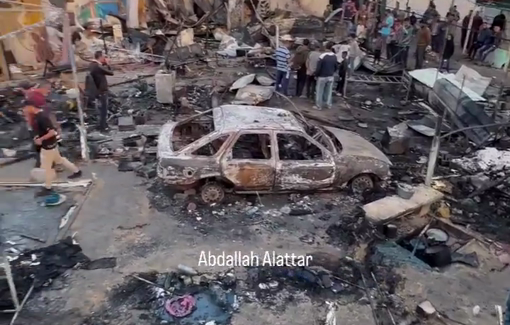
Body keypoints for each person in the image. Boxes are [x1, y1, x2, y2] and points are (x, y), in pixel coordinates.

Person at [23, 105, 82, 197]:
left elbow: (51, 132)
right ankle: (76, 171)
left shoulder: (41, 118)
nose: (24, 111)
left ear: (31, 107)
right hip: (52, 144)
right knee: (59, 160)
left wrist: (40, 140)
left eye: (25, 109)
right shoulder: (40, 116)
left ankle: (48, 187)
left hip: (47, 146)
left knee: (47, 168)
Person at [89, 51, 114, 133]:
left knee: (101, 109)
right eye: (104, 57)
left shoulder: (92, 65)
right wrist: (108, 64)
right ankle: (103, 127)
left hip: (97, 90)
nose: (105, 58)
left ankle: (103, 125)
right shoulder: (98, 67)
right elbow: (111, 73)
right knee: (104, 110)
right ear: (100, 57)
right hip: (102, 90)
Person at [314, 42, 337, 110]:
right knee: (329, 91)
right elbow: (336, 67)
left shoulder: (322, 56)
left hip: (322, 76)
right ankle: (328, 104)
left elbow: (318, 67)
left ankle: (319, 106)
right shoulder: (334, 56)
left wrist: (316, 75)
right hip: (330, 76)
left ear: (325, 47)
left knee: (319, 91)